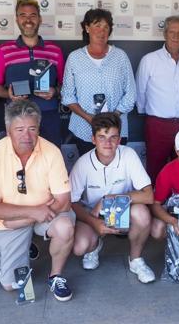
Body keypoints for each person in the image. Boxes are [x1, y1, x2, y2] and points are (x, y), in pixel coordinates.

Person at [0, 100, 75, 301]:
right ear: (8, 130)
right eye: (20, 129)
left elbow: (64, 201)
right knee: (10, 285)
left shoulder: (51, 151)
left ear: (39, 128)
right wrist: (33, 213)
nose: (27, 136)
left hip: (43, 214)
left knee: (65, 226)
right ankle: (22, 245)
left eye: (32, 128)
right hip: (22, 218)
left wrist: (27, 217)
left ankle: (55, 276)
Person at [70, 113, 156, 283]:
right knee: (80, 248)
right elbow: (71, 203)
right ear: (93, 139)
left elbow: (148, 196)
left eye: (113, 137)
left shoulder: (129, 154)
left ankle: (136, 259)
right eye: (102, 137)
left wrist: (109, 198)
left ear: (119, 139)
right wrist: (94, 223)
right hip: (93, 213)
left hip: (122, 209)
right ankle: (95, 246)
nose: (108, 143)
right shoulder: (83, 163)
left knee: (143, 214)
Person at [61, 8, 136, 155]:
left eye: (106, 27)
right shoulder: (75, 58)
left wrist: (114, 116)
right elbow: (67, 95)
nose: (102, 31)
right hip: (84, 128)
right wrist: (89, 118)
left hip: (116, 130)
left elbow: (131, 93)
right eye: (97, 25)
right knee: (89, 172)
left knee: (115, 173)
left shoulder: (120, 57)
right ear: (87, 28)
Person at [0, 0, 65, 148]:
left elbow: (65, 85)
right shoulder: (4, 50)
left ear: (40, 19)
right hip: (17, 118)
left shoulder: (55, 50)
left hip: (48, 116)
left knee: (49, 160)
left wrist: (55, 91)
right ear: (17, 19)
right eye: (23, 15)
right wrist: (9, 95)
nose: (28, 20)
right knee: (19, 161)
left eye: (33, 15)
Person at [135, 15, 179, 182]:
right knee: (155, 169)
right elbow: (140, 91)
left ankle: (178, 206)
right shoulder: (149, 60)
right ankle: (153, 206)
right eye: (172, 32)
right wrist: (146, 112)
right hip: (157, 124)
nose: (176, 37)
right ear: (165, 34)